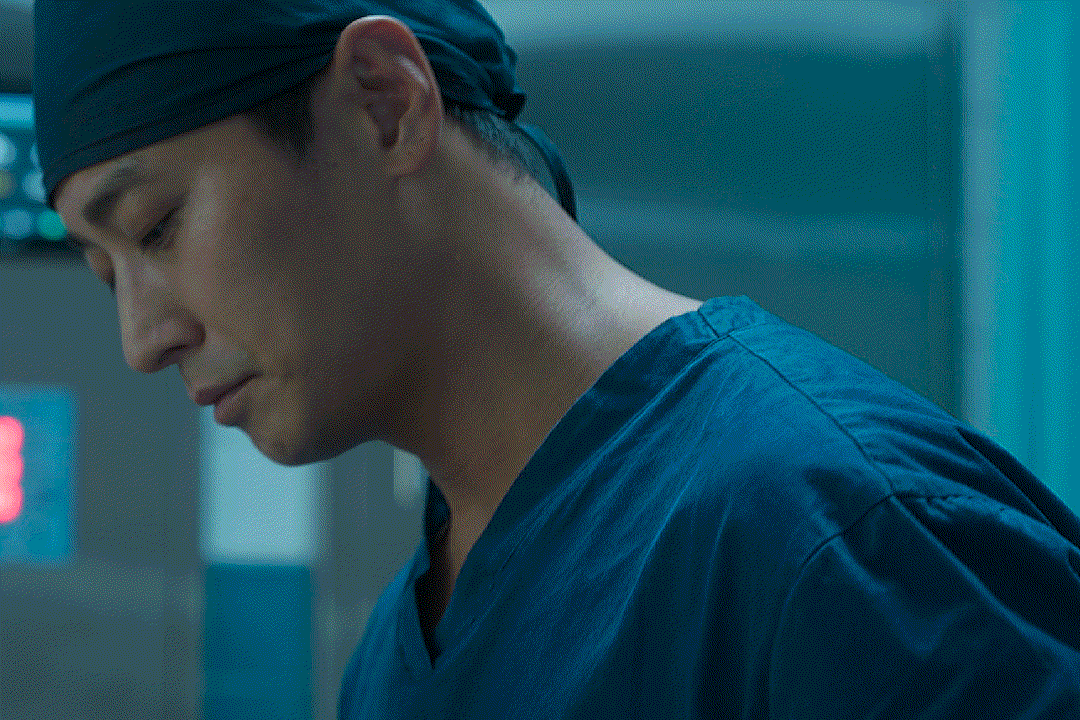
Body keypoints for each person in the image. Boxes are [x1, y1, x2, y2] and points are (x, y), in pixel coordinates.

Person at [34, 1, 1080, 717]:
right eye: (104, 272)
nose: (142, 340)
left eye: (158, 226)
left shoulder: (834, 542)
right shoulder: (394, 661)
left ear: (384, 106)